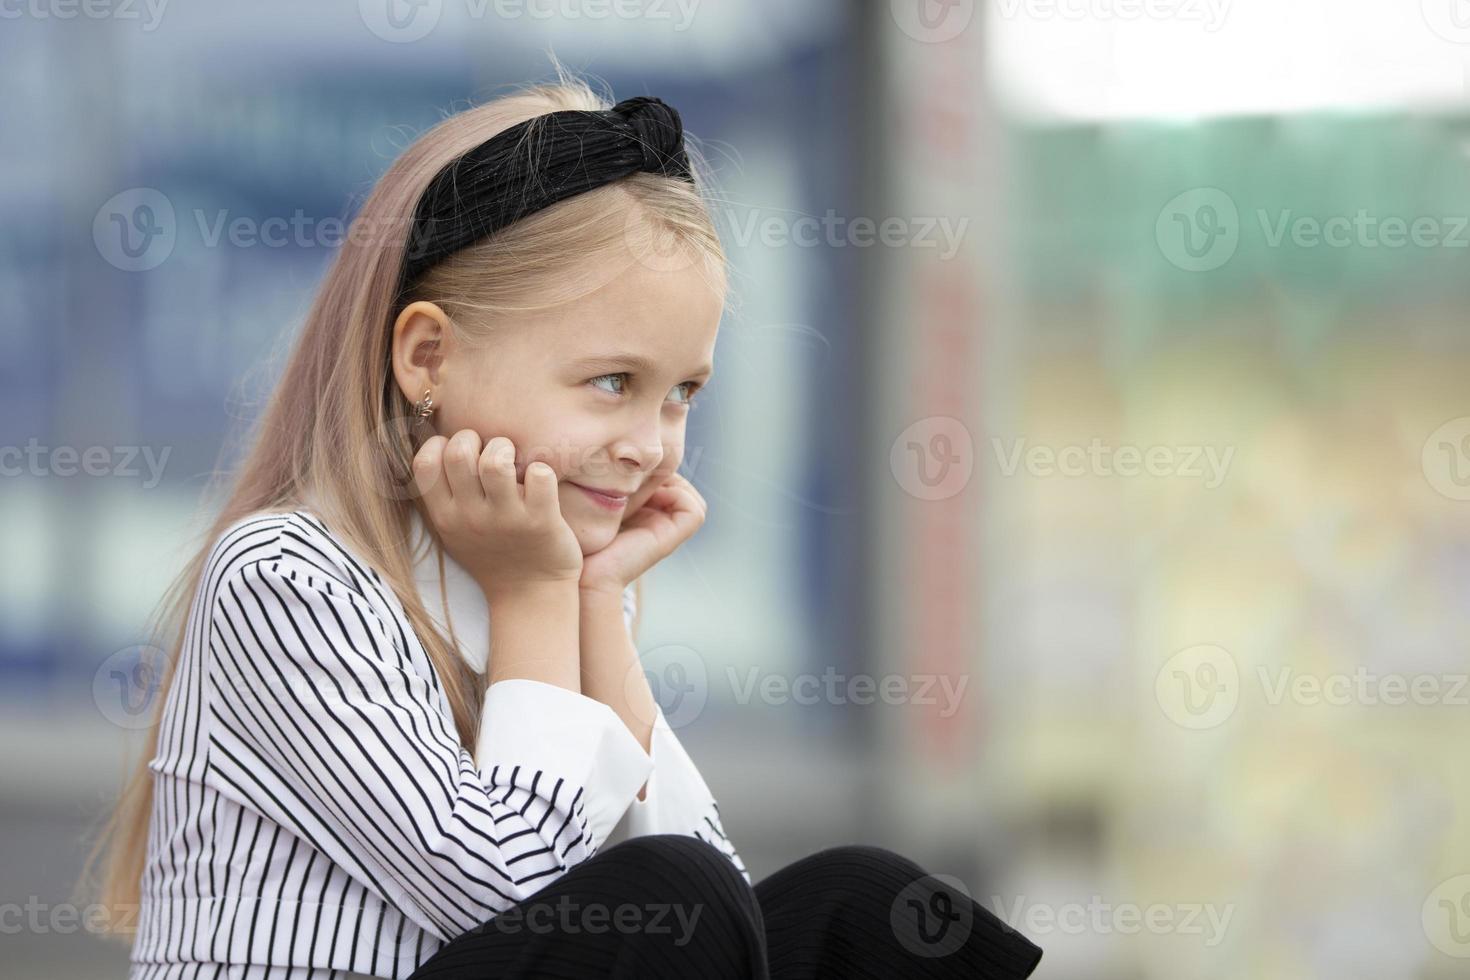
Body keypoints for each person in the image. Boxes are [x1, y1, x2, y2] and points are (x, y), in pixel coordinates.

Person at [82, 65, 1044, 979]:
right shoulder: (287, 577)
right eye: (612, 383)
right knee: (676, 898)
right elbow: (513, 887)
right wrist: (538, 596)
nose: (651, 446)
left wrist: (592, 600)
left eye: (681, 396)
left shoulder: (547, 577)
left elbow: (722, 926)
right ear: (427, 359)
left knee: (868, 905)